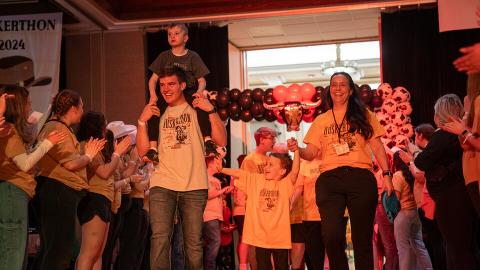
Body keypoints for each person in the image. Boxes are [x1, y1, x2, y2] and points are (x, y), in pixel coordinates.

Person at [297, 72, 393, 270]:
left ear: (350, 91)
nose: (338, 88)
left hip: (361, 176)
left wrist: (387, 174)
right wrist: (297, 149)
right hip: (330, 178)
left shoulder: (365, 115)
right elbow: (311, 153)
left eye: (342, 85)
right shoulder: (321, 120)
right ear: (329, 90)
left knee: (362, 239)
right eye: (334, 84)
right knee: (331, 236)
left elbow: (377, 146)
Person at [136, 66, 227, 269]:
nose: (166, 89)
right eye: (162, 85)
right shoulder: (157, 112)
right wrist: (142, 121)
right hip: (162, 184)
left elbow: (221, 140)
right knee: (159, 239)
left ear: (183, 85)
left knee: (193, 245)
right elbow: (143, 153)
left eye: (171, 84)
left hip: (194, 186)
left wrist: (211, 110)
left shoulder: (197, 109)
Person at [35, 90, 105, 270]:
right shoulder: (57, 129)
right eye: (81, 107)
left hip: (61, 191)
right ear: (73, 108)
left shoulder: (62, 129)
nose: (83, 111)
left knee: (56, 249)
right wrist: (89, 156)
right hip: (57, 190)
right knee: (59, 251)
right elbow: (71, 164)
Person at [0, 85, 67, 269]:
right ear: (19, 106)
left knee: (17, 255)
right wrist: (48, 143)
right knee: (12, 254)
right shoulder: (9, 131)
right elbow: (25, 163)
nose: (30, 107)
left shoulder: (13, 131)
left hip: (16, 193)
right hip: (11, 192)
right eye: (28, 103)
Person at [415, 94, 478, 269]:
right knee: (466, 246)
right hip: (466, 192)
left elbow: (421, 162)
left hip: (450, 197)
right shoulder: (467, 131)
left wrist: (415, 153)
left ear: (440, 115)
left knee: (456, 247)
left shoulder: (443, 135)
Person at [215, 138, 300, 270]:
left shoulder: (285, 185)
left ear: (282, 171)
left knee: (282, 267)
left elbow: (294, 172)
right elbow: (240, 173)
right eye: (266, 164)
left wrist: (297, 152)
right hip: (261, 237)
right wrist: (222, 169)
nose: (266, 167)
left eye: (271, 165)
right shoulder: (257, 180)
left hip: (280, 239)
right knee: (263, 266)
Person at [147, 23, 217, 157]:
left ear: (185, 38)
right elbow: (153, 80)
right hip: (169, 93)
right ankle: (153, 148)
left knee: (200, 107)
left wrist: (199, 92)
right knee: (154, 111)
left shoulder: (192, 57)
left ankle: (207, 140)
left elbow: (202, 81)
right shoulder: (164, 56)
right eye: (169, 34)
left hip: (188, 92)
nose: (172, 36)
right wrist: (152, 95)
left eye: (176, 33)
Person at [231, 127, 279, 270]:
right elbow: (246, 184)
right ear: (262, 140)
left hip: (269, 207)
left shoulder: (271, 158)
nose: (274, 141)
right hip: (255, 207)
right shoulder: (250, 160)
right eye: (272, 138)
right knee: (253, 242)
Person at [441, 73, 480, 215]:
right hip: (471, 172)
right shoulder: (473, 103)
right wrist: (466, 116)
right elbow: (466, 145)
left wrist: (463, 131)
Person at [391, 150, 432, 270]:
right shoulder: (413, 173)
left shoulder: (398, 175)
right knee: (419, 244)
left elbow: (395, 199)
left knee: (403, 249)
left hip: (403, 213)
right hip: (416, 212)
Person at [203, 157, 233, 270]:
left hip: (217, 216)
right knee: (215, 242)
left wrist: (224, 193)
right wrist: (221, 191)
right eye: (218, 162)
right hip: (209, 216)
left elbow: (215, 196)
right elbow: (207, 195)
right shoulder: (203, 177)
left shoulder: (215, 180)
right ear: (210, 163)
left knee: (214, 243)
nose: (220, 164)